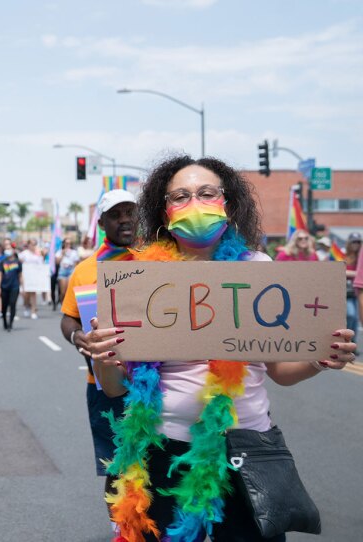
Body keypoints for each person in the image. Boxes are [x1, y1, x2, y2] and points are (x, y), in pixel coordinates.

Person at [85, 155, 356, 542]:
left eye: (206, 193)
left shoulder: (258, 270)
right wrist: (102, 356)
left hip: (243, 453)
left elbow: (280, 370)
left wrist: (317, 360)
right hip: (161, 451)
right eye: (180, 196)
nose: (194, 203)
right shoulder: (138, 279)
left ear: (227, 203)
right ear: (164, 211)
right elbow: (114, 388)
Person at [59, 189, 136, 530]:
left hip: (157, 384)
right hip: (104, 387)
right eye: (115, 214)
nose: (124, 220)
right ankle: (120, 530)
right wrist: (79, 338)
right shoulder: (85, 270)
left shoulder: (158, 262)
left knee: (157, 464)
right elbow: (68, 319)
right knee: (117, 467)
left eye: (129, 212)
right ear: (102, 222)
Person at [0, 245, 23, 332]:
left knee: (13, 304)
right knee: (4, 306)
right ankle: (5, 322)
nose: (8, 251)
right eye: (6, 249)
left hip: (14, 286)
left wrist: (22, 287)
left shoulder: (18, 262)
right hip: (4, 287)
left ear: (13, 250)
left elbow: (20, 275)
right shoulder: (3, 262)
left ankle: (10, 324)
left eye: (9, 249)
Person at [19, 240, 43, 319]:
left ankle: (33, 311)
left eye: (35, 244)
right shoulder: (24, 253)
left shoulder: (38, 253)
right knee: (25, 293)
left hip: (34, 275)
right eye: (32, 244)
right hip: (25, 275)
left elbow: (41, 264)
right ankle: (26, 305)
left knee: (33, 293)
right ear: (28, 245)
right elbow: (19, 262)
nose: (33, 246)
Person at [345, 232, 361, 338]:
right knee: (350, 315)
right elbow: (339, 271)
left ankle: (352, 344)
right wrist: (357, 274)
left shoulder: (361, 257)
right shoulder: (342, 255)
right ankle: (347, 339)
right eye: (353, 241)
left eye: (358, 242)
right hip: (346, 292)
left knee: (356, 319)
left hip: (358, 292)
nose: (356, 244)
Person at [56, 236, 81, 303]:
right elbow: (57, 262)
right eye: (66, 243)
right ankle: (62, 304)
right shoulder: (59, 252)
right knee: (63, 292)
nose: (68, 245)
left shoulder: (74, 252)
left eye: (69, 243)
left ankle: (67, 308)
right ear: (63, 244)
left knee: (69, 291)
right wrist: (62, 254)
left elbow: (76, 263)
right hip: (62, 271)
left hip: (71, 270)